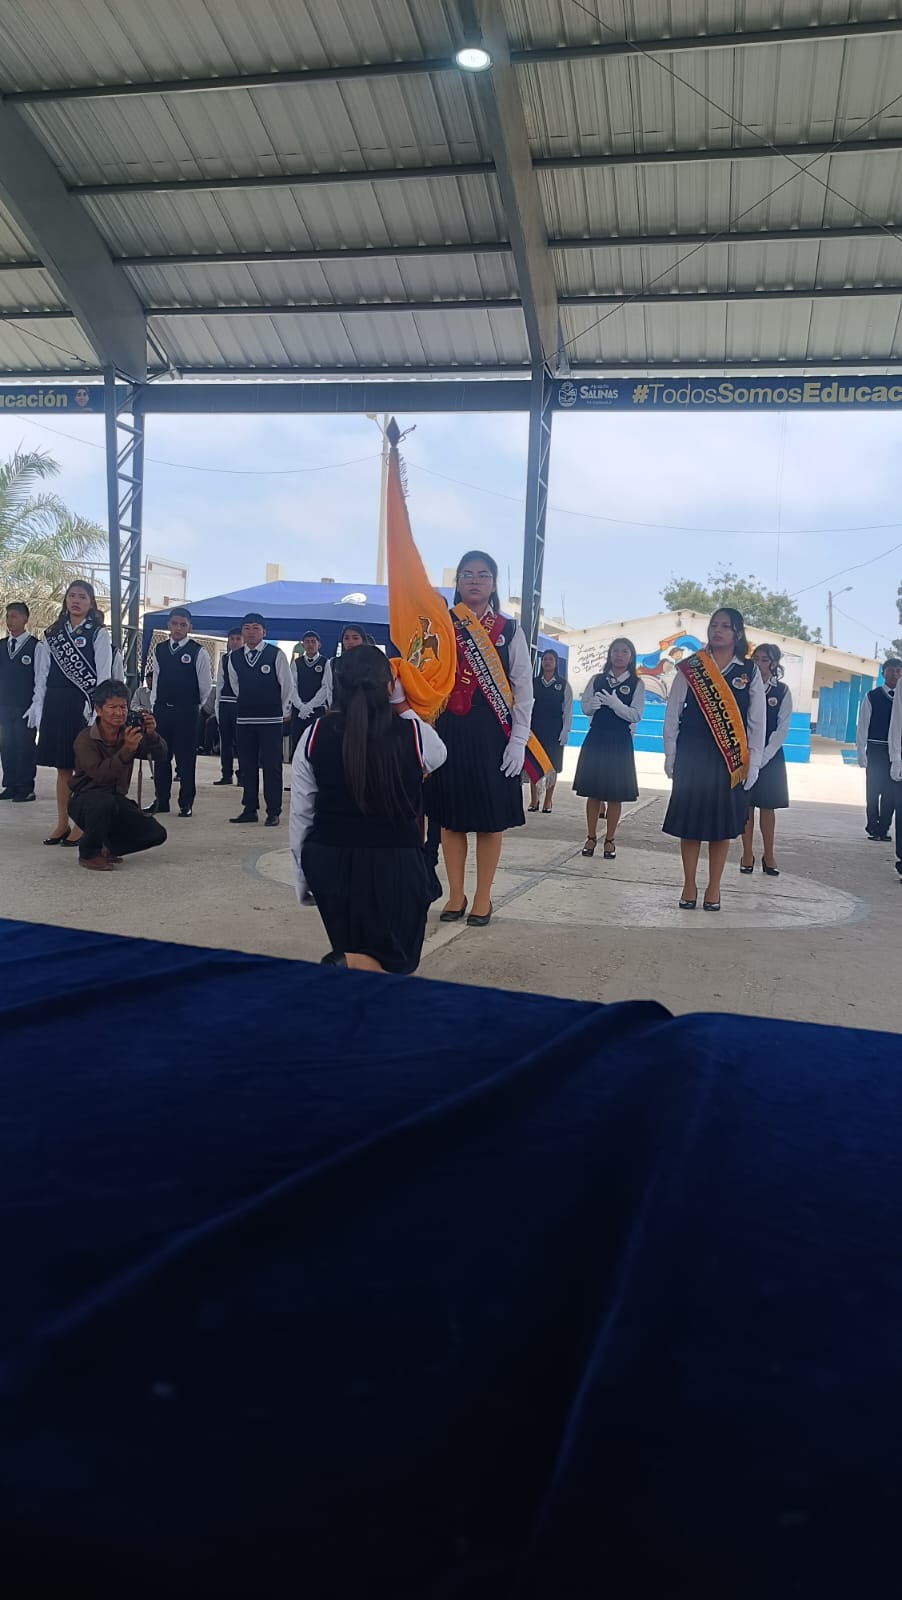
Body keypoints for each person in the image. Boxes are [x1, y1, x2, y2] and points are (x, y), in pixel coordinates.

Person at [290, 645, 447, 972]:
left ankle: (347, 962)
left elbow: (302, 813)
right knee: (397, 962)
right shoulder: (413, 733)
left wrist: (303, 877)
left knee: (357, 950)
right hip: (394, 863)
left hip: (329, 861)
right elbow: (439, 754)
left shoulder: (313, 734)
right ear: (390, 685)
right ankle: (344, 963)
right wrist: (402, 705)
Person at [425, 550, 533, 928]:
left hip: (493, 733)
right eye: (467, 574)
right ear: (457, 582)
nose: (474, 580)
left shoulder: (509, 630)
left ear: (493, 584)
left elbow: (523, 687)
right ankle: (456, 894)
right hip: (448, 731)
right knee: (450, 819)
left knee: (489, 820)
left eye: (483, 574)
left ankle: (483, 896)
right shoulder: (442, 625)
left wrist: (519, 738)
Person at [662, 608, 765, 911]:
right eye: (713, 625)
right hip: (692, 753)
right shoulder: (692, 666)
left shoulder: (749, 671)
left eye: (725, 626)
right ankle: (689, 883)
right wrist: (671, 753)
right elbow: (673, 712)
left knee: (720, 825)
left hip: (728, 759)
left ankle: (714, 886)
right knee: (690, 822)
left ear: (737, 633)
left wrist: (754, 763)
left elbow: (756, 722)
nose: (717, 630)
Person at [27, 579, 116, 848]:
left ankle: (80, 824)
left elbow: (103, 675)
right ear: (66, 600)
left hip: (83, 704)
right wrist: (38, 704)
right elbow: (42, 674)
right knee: (62, 767)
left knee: (83, 767)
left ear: (91, 603)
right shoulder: (53, 633)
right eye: (72, 595)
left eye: (82, 597)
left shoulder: (98, 633)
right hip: (56, 703)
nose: (76, 601)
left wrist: (98, 710)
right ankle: (61, 822)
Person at [68, 679, 168, 873]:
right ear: (98, 710)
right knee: (102, 801)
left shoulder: (128, 731)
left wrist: (151, 735)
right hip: (85, 800)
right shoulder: (86, 739)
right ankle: (89, 853)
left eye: (123, 707)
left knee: (156, 833)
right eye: (112, 707)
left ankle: (109, 848)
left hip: (115, 800)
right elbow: (100, 775)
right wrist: (127, 750)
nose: (119, 713)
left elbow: (161, 755)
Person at [572, 636, 645, 858]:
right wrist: (592, 706)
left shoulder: (636, 684)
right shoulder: (597, 680)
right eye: (615, 651)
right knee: (593, 793)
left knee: (615, 794)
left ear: (631, 657)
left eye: (624, 651)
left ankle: (610, 839)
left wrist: (617, 705)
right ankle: (591, 837)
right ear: (610, 655)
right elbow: (585, 707)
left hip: (620, 741)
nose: (619, 655)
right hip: (597, 738)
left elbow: (636, 715)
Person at [147, 607, 213, 819]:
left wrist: (193, 705)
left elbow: (205, 686)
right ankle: (161, 800)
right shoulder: (160, 649)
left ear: (189, 627)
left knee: (185, 759)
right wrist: (154, 704)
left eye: (183, 625)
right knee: (161, 756)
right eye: (175, 624)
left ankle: (186, 803)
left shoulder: (198, 651)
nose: (178, 628)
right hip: (162, 710)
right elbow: (156, 680)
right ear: (168, 625)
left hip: (187, 712)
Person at [227, 612, 292, 827]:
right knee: (247, 765)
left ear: (264, 632)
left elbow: (286, 685)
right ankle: (249, 808)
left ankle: (273, 811)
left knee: (272, 766)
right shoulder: (234, 657)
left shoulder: (275, 654)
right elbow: (236, 686)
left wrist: (282, 710)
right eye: (247, 628)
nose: (251, 632)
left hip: (271, 719)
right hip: (245, 719)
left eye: (256, 628)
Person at [740, 643, 793, 877]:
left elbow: (782, 729)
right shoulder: (743, 687)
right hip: (745, 754)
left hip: (770, 756)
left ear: (774, 663)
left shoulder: (781, 691)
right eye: (756, 659)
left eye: (764, 659)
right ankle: (746, 854)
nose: (759, 664)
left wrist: (764, 756)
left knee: (768, 806)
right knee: (746, 806)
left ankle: (769, 855)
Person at [856, 658, 901, 841]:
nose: (894, 674)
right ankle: (873, 826)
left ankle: (884, 828)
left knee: (891, 793)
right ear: (883, 674)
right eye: (890, 671)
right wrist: (861, 750)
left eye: (898, 671)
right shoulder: (872, 696)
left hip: (896, 752)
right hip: (876, 749)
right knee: (873, 790)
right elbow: (863, 725)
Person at [0, 600, 38, 802]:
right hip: (4, 705)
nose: (10, 620)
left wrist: (36, 705)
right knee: (7, 746)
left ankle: (25, 787)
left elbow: (40, 678)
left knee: (24, 746)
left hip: (25, 706)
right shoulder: (1, 645)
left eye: (14, 616)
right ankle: (10, 784)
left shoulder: (35, 646)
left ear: (25, 619)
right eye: (8, 616)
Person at [527, 648, 573, 814]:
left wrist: (565, 730)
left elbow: (567, 709)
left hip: (555, 729)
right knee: (534, 763)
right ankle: (534, 800)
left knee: (552, 765)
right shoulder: (533, 683)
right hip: (536, 728)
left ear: (556, 663)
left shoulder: (563, 685)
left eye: (551, 659)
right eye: (545, 659)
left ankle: (548, 800)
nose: (547, 662)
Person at [213, 629, 243, 786]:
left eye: (238, 638)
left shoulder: (247, 658)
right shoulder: (224, 659)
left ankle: (243, 774)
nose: (235, 642)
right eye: (232, 639)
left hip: (240, 704)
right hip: (225, 702)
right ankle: (226, 774)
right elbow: (219, 683)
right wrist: (217, 706)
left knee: (242, 742)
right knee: (226, 742)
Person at [289, 630, 329, 753]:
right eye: (307, 642)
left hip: (317, 710)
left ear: (319, 644)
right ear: (303, 645)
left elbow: (326, 687)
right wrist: (301, 706)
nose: (310, 644)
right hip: (299, 711)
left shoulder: (326, 662)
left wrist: (310, 706)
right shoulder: (296, 663)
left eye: (313, 641)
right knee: (297, 743)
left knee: (316, 744)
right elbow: (292, 686)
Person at [320, 623, 371, 711]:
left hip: (366, 711)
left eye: (355, 638)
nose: (350, 641)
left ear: (363, 640)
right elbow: (328, 689)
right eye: (346, 638)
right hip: (338, 710)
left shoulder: (372, 662)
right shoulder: (333, 663)